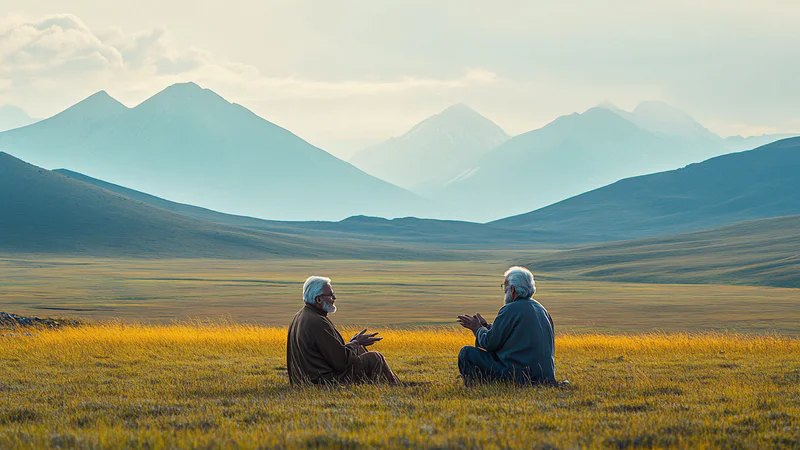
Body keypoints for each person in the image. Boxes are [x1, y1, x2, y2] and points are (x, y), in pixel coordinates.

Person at [286, 276, 400, 385]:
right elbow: (341, 363)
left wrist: (355, 344)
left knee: (359, 350)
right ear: (318, 299)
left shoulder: (300, 316)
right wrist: (356, 342)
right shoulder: (318, 322)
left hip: (305, 381)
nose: (334, 298)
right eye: (330, 295)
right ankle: (396, 388)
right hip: (323, 382)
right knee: (375, 358)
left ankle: (392, 384)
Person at [457, 266, 556, 386]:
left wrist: (477, 329)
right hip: (544, 376)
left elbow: (490, 343)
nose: (504, 291)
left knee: (466, 353)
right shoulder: (542, 310)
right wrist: (486, 326)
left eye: (505, 286)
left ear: (512, 289)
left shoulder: (509, 309)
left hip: (519, 376)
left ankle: (477, 386)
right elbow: (513, 336)